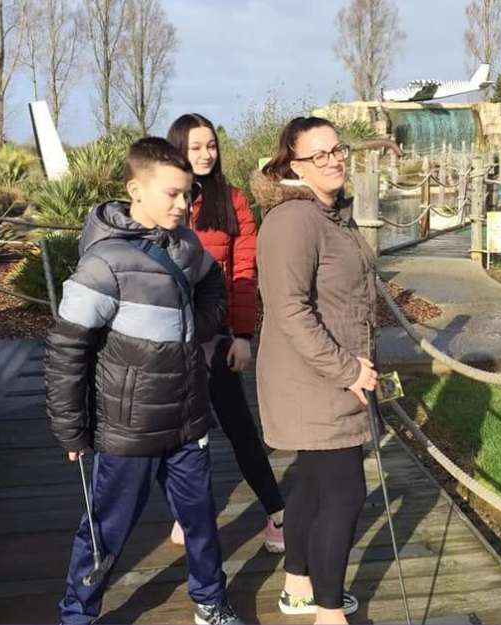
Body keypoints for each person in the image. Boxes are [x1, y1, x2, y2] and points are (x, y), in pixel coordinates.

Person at [45, 137, 245, 625]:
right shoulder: (104, 262)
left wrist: (199, 326)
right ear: (135, 189)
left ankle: (210, 603)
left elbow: (214, 282)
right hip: (126, 429)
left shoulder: (187, 244)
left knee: (200, 522)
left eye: (187, 195)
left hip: (188, 419)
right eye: (172, 194)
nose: (183, 205)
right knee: (105, 531)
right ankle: (77, 615)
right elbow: (67, 346)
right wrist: (71, 427)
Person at [250, 117, 379, 625]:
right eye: (318, 154)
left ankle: (300, 587)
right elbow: (289, 310)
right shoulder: (293, 220)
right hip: (316, 380)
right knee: (346, 493)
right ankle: (329, 614)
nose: (334, 159)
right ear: (292, 165)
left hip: (332, 373)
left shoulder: (330, 213)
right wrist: (347, 369)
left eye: (337, 149)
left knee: (312, 485)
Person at [165, 113, 287, 554]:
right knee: (179, 433)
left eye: (211, 145)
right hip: (169, 341)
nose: (205, 154)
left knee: (239, 428)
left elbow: (243, 272)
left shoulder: (231, 200)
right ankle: (188, 511)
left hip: (215, 337)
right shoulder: (168, 200)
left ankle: (276, 512)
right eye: (195, 146)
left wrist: (241, 335)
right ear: (178, 148)